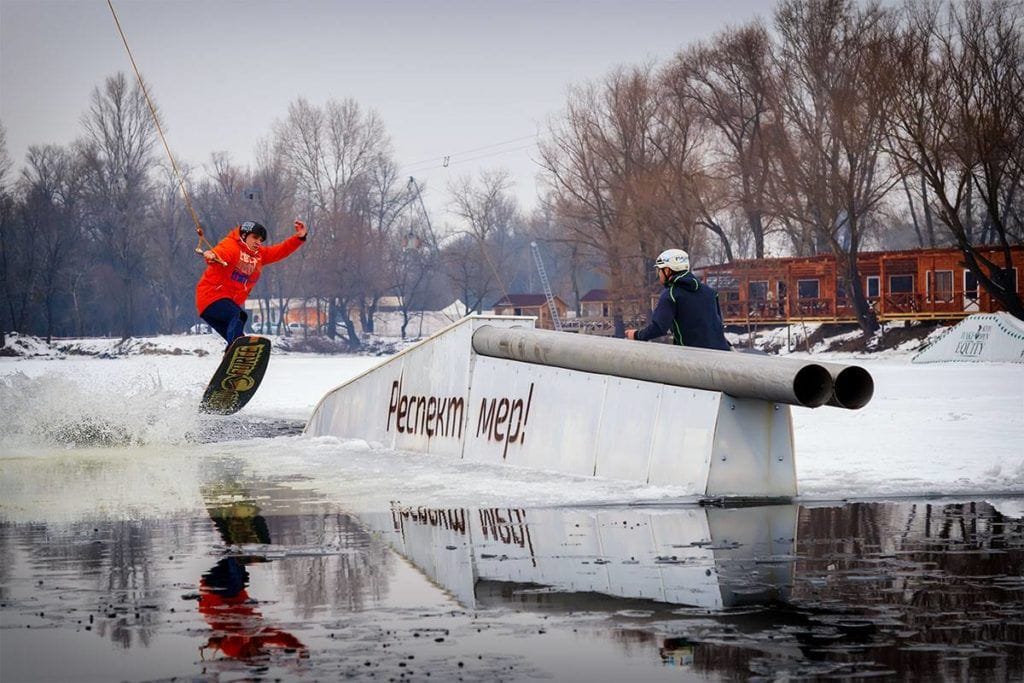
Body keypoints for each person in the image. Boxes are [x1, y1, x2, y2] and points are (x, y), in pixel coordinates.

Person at [195, 219, 308, 346]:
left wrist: (299, 238)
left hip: (222, 304)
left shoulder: (259, 255)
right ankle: (236, 350)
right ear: (244, 235)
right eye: (255, 237)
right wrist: (211, 256)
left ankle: (236, 361)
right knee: (239, 316)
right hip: (212, 297)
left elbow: (281, 250)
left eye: (260, 240)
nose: (258, 242)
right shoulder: (231, 246)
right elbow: (220, 253)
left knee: (237, 341)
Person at [625, 248, 731, 350]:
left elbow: (659, 328)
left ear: (667, 270)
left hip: (694, 358)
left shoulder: (671, 294)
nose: (659, 275)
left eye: (659, 271)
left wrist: (636, 335)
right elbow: (717, 325)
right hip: (722, 354)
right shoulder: (710, 292)